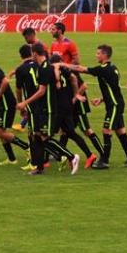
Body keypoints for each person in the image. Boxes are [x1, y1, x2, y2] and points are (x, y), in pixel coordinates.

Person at [61, 45, 127, 169]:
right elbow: (113, 88)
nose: (96, 55)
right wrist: (101, 99)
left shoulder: (103, 69)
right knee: (121, 132)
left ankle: (104, 161)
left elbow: (80, 68)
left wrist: (63, 64)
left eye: (98, 53)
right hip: (116, 103)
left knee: (106, 131)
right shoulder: (113, 68)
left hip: (114, 105)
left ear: (105, 55)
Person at [15, 44, 80, 175]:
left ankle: (72, 157)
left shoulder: (45, 68)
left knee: (44, 137)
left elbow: (41, 91)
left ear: (34, 53)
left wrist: (24, 103)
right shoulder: (44, 67)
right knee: (37, 136)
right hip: (42, 108)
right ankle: (39, 168)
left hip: (48, 109)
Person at [50, 54, 97, 169]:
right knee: (69, 133)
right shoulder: (66, 70)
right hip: (68, 106)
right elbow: (74, 79)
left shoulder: (53, 71)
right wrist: (76, 94)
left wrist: (57, 81)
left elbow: (59, 82)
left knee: (46, 134)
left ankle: (58, 157)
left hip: (60, 108)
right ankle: (88, 155)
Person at [13, 44, 42, 171]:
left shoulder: (20, 69)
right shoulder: (39, 65)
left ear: (20, 56)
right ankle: (39, 160)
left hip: (31, 103)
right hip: (43, 101)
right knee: (37, 133)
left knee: (34, 134)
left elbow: (18, 90)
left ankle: (37, 162)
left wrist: (21, 105)